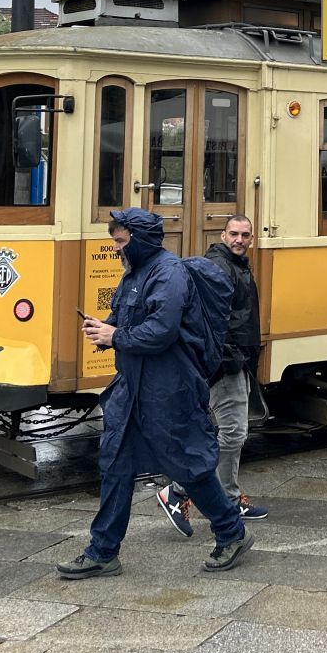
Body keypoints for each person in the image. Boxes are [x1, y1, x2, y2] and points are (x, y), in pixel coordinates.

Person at [58, 209, 252, 578]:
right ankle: (102, 550)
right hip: (132, 386)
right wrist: (106, 326)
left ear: (140, 239)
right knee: (114, 463)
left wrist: (116, 336)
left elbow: (161, 330)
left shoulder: (169, 274)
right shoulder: (136, 272)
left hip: (168, 389)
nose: (116, 249)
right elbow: (129, 319)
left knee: (188, 466)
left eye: (120, 241)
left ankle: (232, 532)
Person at [157, 214, 268, 534]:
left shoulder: (235, 265)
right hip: (225, 363)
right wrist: (228, 356)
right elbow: (211, 321)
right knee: (232, 432)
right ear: (223, 235)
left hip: (231, 360)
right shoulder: (219, 267)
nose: (239, 240)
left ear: (251, 239)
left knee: (215, 431)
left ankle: (224, 496)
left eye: (245, 235)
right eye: (234, 233)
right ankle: (180, 492)